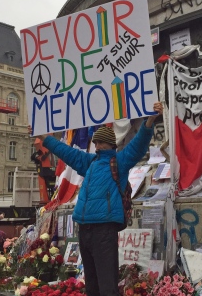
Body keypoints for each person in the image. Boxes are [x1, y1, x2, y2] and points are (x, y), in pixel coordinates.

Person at [28, 101, 163, 296]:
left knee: (107, 285)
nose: (96, 145)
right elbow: (65, 151)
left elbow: (139, 144)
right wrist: (42, 137)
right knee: (91, 285)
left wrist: (150, 119)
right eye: (96, 141)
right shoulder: (89, 162)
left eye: (100, 142)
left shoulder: (120, 162)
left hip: (104, 230)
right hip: (84, 229)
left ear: (110, 144)